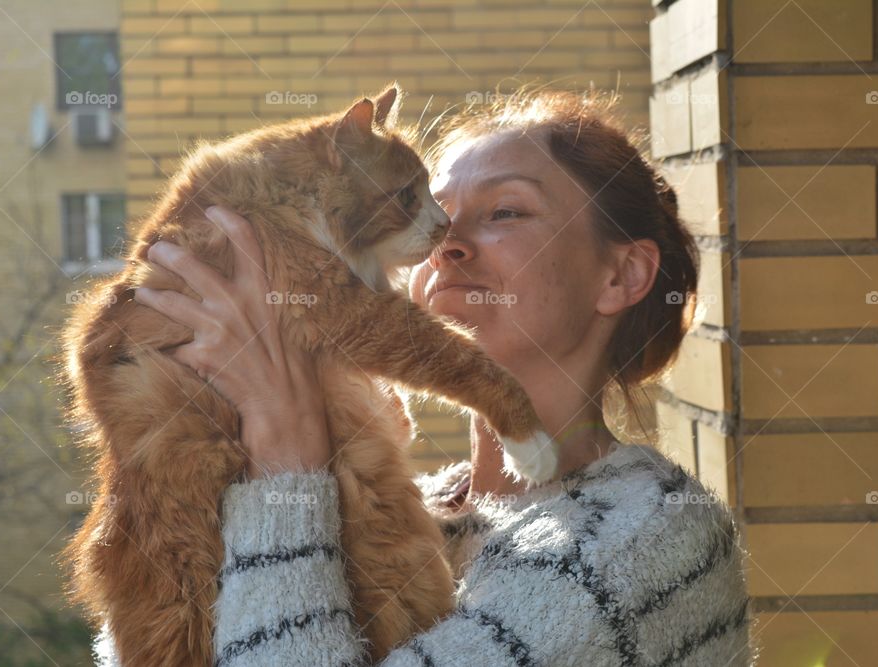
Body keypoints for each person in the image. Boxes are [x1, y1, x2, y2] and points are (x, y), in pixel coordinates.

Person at [95, 89, 754, 665]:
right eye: (429, 208)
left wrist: (287, 464)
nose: (445, 240)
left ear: (621, 275)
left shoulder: (653, 536)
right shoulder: (425, 503)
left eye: (505, 212)